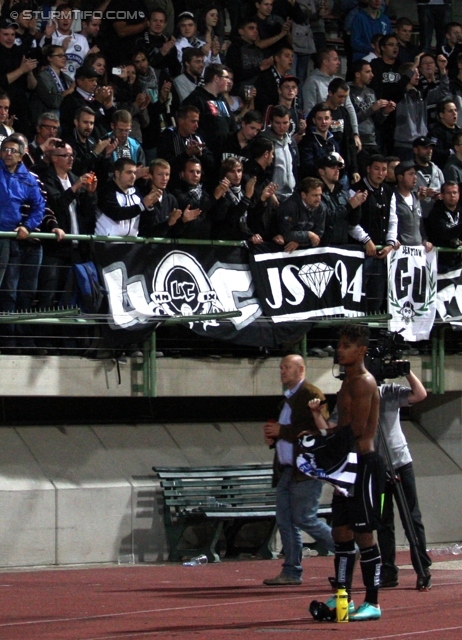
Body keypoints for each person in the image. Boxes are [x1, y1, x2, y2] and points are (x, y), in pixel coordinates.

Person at [308, 324, 384, 621]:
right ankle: (344, 596)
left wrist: (323, 446)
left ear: (361, 350)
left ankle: (373, 602)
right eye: (339, 345)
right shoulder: (346, 383)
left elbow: (358, 430)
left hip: (362, 465)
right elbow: (340, 429)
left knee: (364, 534)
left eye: (346, 345)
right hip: (346, 468)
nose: (339, 350)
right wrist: (317, 426)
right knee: (341, 532)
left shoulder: (364, 382)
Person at [262, 354, 334, 586]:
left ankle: (350, 550)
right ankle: (291, 571)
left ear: (301, 369)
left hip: (305, 471)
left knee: (305, 518)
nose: (282, 371)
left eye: (287, 367)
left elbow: (318, 431)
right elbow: (288, 431)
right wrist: (274, 438)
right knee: (286, 521)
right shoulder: (287, 400)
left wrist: (281, 432)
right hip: (286, 471)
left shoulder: (311, 395)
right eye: (281, 367)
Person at [377, 369, 432, 591]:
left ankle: (422, 569)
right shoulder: (354, 392)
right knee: (383, 521)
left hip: (400, 463)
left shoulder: (389, 391)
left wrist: (406, 371)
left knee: (411, 518)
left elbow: (420, 395)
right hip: (377, 468)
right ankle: (388, 571)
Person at [349, 154, 397, 312]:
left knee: (376, 301)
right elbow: (350, 222)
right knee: (356, 298)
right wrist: (366, 240)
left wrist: (390, 243)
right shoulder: (356, 189)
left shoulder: (389, 191)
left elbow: (393, 220)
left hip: (381, 253)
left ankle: (372, 336)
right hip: (360, 252)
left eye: (384, 169)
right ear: (368, 169)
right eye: (377, 169)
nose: (381, 173)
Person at [0, 134, 45, 289]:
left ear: (21, 157)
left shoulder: (28, 178)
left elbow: (39, 206)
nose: (8, 153)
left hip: (9, 237)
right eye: (5, 149)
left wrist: (27, 226)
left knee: (9, 286)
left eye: (13, 151)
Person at [394, 55, 450, 162]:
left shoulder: (421, 95)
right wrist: (415, 64)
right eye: (414, 73)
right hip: (405, 144)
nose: (418, 76)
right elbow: (401, 84)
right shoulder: (398, 94)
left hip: (421, 143)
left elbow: (443, 92)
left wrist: (442, 70)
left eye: (418, 73)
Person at [302, 48, 360, 147]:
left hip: (341, 135)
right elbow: (309, 110)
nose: (338, 62)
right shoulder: (312, 82)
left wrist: (355, 133)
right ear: (325, 62)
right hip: (321, 137)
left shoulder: (340, 81)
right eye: (335, 59)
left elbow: (349, 108)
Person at [182, 63, 237, 160]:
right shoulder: (195, 99)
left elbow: (232, 125)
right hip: (206, 157)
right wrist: (206, 155)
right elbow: (191, 131)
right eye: (226, 78)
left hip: (224, 156)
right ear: (216, 78)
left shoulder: (222, 99)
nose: (230, 81)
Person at [95, 157, 160, 238]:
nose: (133, 176)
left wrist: (150, 207)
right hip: (106, 243)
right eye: (129, 173)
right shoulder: (106, 191)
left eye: (134, 173)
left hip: (131, 244)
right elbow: (116, 213)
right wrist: (143, 205)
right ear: (117, 173)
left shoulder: (136, 193)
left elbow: (145, 222)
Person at [317, 154, 366, 246]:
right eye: (332, 167)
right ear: (321, 171)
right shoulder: (316, 193)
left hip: (342, 245)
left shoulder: (343, 192)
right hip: (323, 247)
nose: (337, 171)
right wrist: (350, 206)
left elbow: (353, 222)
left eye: (338, 167)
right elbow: (327, 218)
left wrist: (357, 205)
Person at [275, 176, 326, 252]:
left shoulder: (320, 207)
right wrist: (308, 234)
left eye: (320, 195)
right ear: (303, 195)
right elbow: (285, 233)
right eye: (315, 195)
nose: (319, 199)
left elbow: (318, 235)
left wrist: (299, 243)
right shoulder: (290, 206)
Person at [40, 4, 90, 79]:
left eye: (69, 16)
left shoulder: (82, 39)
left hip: (78, 83)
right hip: (57, 82)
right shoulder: (48, 37)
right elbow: (43, 64)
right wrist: (63, 48)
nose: (66, 19)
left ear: (73, 19)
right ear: (56, 19)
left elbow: (87, 65)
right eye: (62, 16)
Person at [394, 160, 433, 251]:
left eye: (415, 174)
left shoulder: (416, 198)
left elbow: (420, 225)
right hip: (399, 251)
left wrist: (424, 240)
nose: (415, 178)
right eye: (411, 174)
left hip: (417, 252)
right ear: (400, 177)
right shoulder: (392, 197)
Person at [261, 104, 296, 202]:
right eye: (277, 123)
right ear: (271, 122)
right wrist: (270, 195)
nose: (281, 127)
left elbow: (296, 167)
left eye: (285, 123)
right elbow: (259, 172)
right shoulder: (263, 141)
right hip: (272, 196)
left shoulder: (291, 142)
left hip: (291, 196)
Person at [31, 44, 75, 123]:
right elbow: (52, 102)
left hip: (65, 117)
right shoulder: (42, 77)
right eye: (60, 55)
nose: (64, 58)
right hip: (49, 120)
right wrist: (69, 91)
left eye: (64, 55)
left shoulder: (67, 78)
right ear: (49, 58)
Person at [425, 181, 462, 272]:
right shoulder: (436, 213)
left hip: (458, 263)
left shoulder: (461, 210)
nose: (452, 195)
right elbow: (443, 234)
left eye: (455, 192)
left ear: (459, 194)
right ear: (442, 195)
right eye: (448, 193)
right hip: (440, 263)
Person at [254, 45, 294, 114]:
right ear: (277, 58)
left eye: (292, 56)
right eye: (287, 56)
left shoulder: (291, 79)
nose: (291, 59)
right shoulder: (266, 77)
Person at [413, 136, 444, 219]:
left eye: (431, 148)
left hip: (436, 215)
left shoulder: (437, 170)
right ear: (416, 150)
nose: (429, 151)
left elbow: (444, 190)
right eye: (425, 148)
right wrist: (420, 195)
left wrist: (440, 196)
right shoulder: (410, 170)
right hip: (417, 215)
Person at [429, 98, 462, 169]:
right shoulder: (436, 133)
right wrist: (451, 151)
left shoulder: (460, 131)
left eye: (455, 110)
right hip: (445, 169)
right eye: (450, 111)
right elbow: (435, 153)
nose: (454, 113)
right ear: (441, 115)